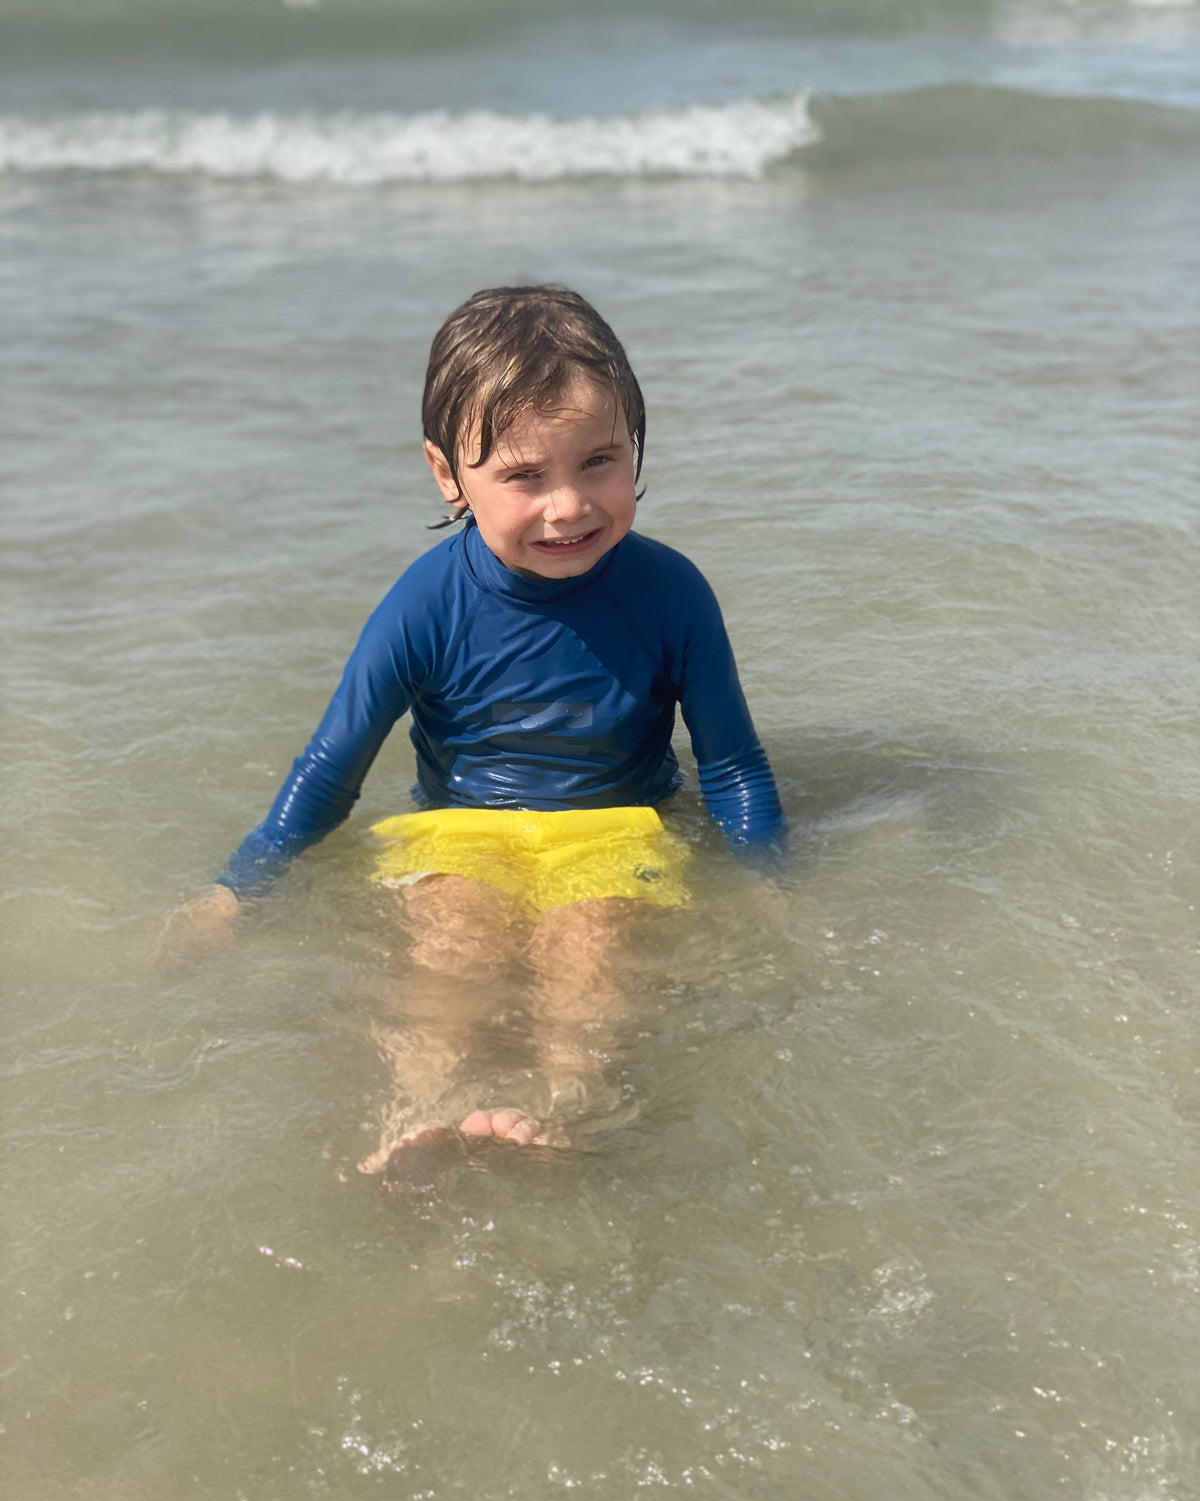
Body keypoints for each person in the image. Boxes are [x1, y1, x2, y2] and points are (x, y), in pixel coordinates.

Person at [172, 284, 786, 1169]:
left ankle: (565, 1108)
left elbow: (732, 768)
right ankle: (420, 1114)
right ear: (447, 474)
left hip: (614, 826)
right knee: (452, 949)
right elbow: (332, 767)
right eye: (525, 476)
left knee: (593, 946)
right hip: (461, 829)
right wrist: (242, 885)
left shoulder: (673, 594)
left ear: (636, 447)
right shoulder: (424, 604)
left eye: (599, 461)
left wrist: (772, 883)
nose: (568, 505)